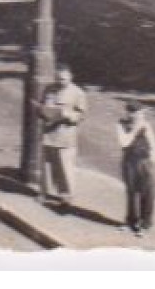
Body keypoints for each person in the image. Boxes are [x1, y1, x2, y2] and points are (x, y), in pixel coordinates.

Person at [36, 64, 88, 209]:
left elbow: (82, 115)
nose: (60, 81)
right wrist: (41, 111)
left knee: (65, 168)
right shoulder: (49, 89)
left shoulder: (78, 93)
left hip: (65, 136)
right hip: (48, 134)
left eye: (63, 79)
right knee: (46, 167)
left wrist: (69, 115)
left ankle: (66, 197)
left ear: (70, 77)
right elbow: (41, 106)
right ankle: (44, 193)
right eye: (58, 78)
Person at [116, 101, 155, 237]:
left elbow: (153, 145)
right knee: (131, 192)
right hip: (129, 162)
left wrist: (152, 161)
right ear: (128, 113)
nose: (138, 116)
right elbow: (124, 142)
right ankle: (130, 221)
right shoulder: (121, 124)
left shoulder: (145, 125)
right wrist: (135, 130)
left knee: (147, 193)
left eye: (140, 113)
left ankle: (145, 224)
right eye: (134, 113)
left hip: (144, 161)